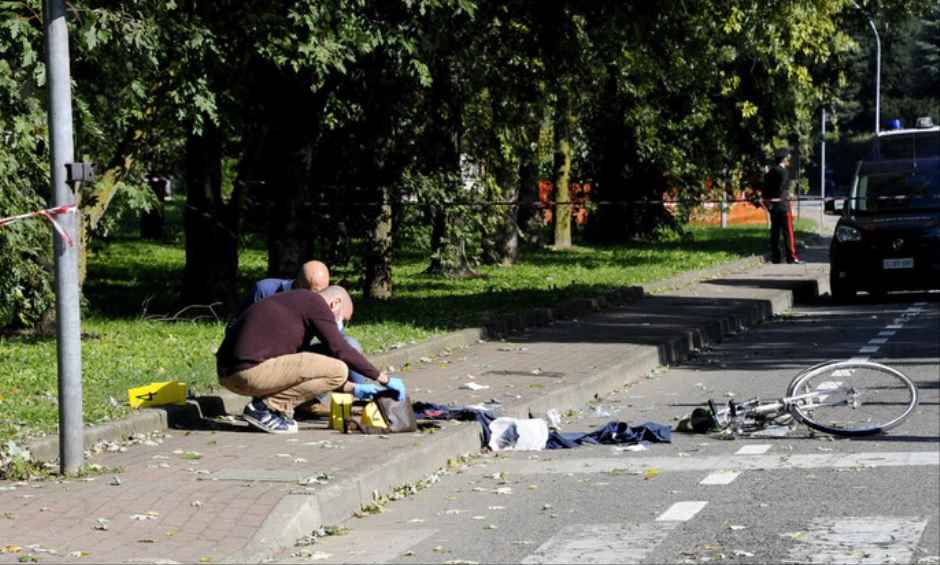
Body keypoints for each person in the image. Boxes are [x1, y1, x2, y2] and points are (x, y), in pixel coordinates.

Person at [216, 286, 406, 434]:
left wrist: (355, 389)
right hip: (247, 372)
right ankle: (264, 408)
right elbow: (339, 348)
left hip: (231, 373)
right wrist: (384, 379)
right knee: (339, 367)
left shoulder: (295, 305)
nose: (340, 325)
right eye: (344, 319)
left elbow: (305, 374)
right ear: (335, 303)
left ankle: (266, 407)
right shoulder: (315, 303)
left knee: (327, 362)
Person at [761, 147, 802, 264]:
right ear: (784, 159)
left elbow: (766, 189)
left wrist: (768, 201)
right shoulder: (784, 172)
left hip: (773, 207)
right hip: (783, 206)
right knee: (788, 232)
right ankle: (791, 257)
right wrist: (787, 196)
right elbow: (781, 189)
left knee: (775, 232)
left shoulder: (771, 172)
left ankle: (776, 257)